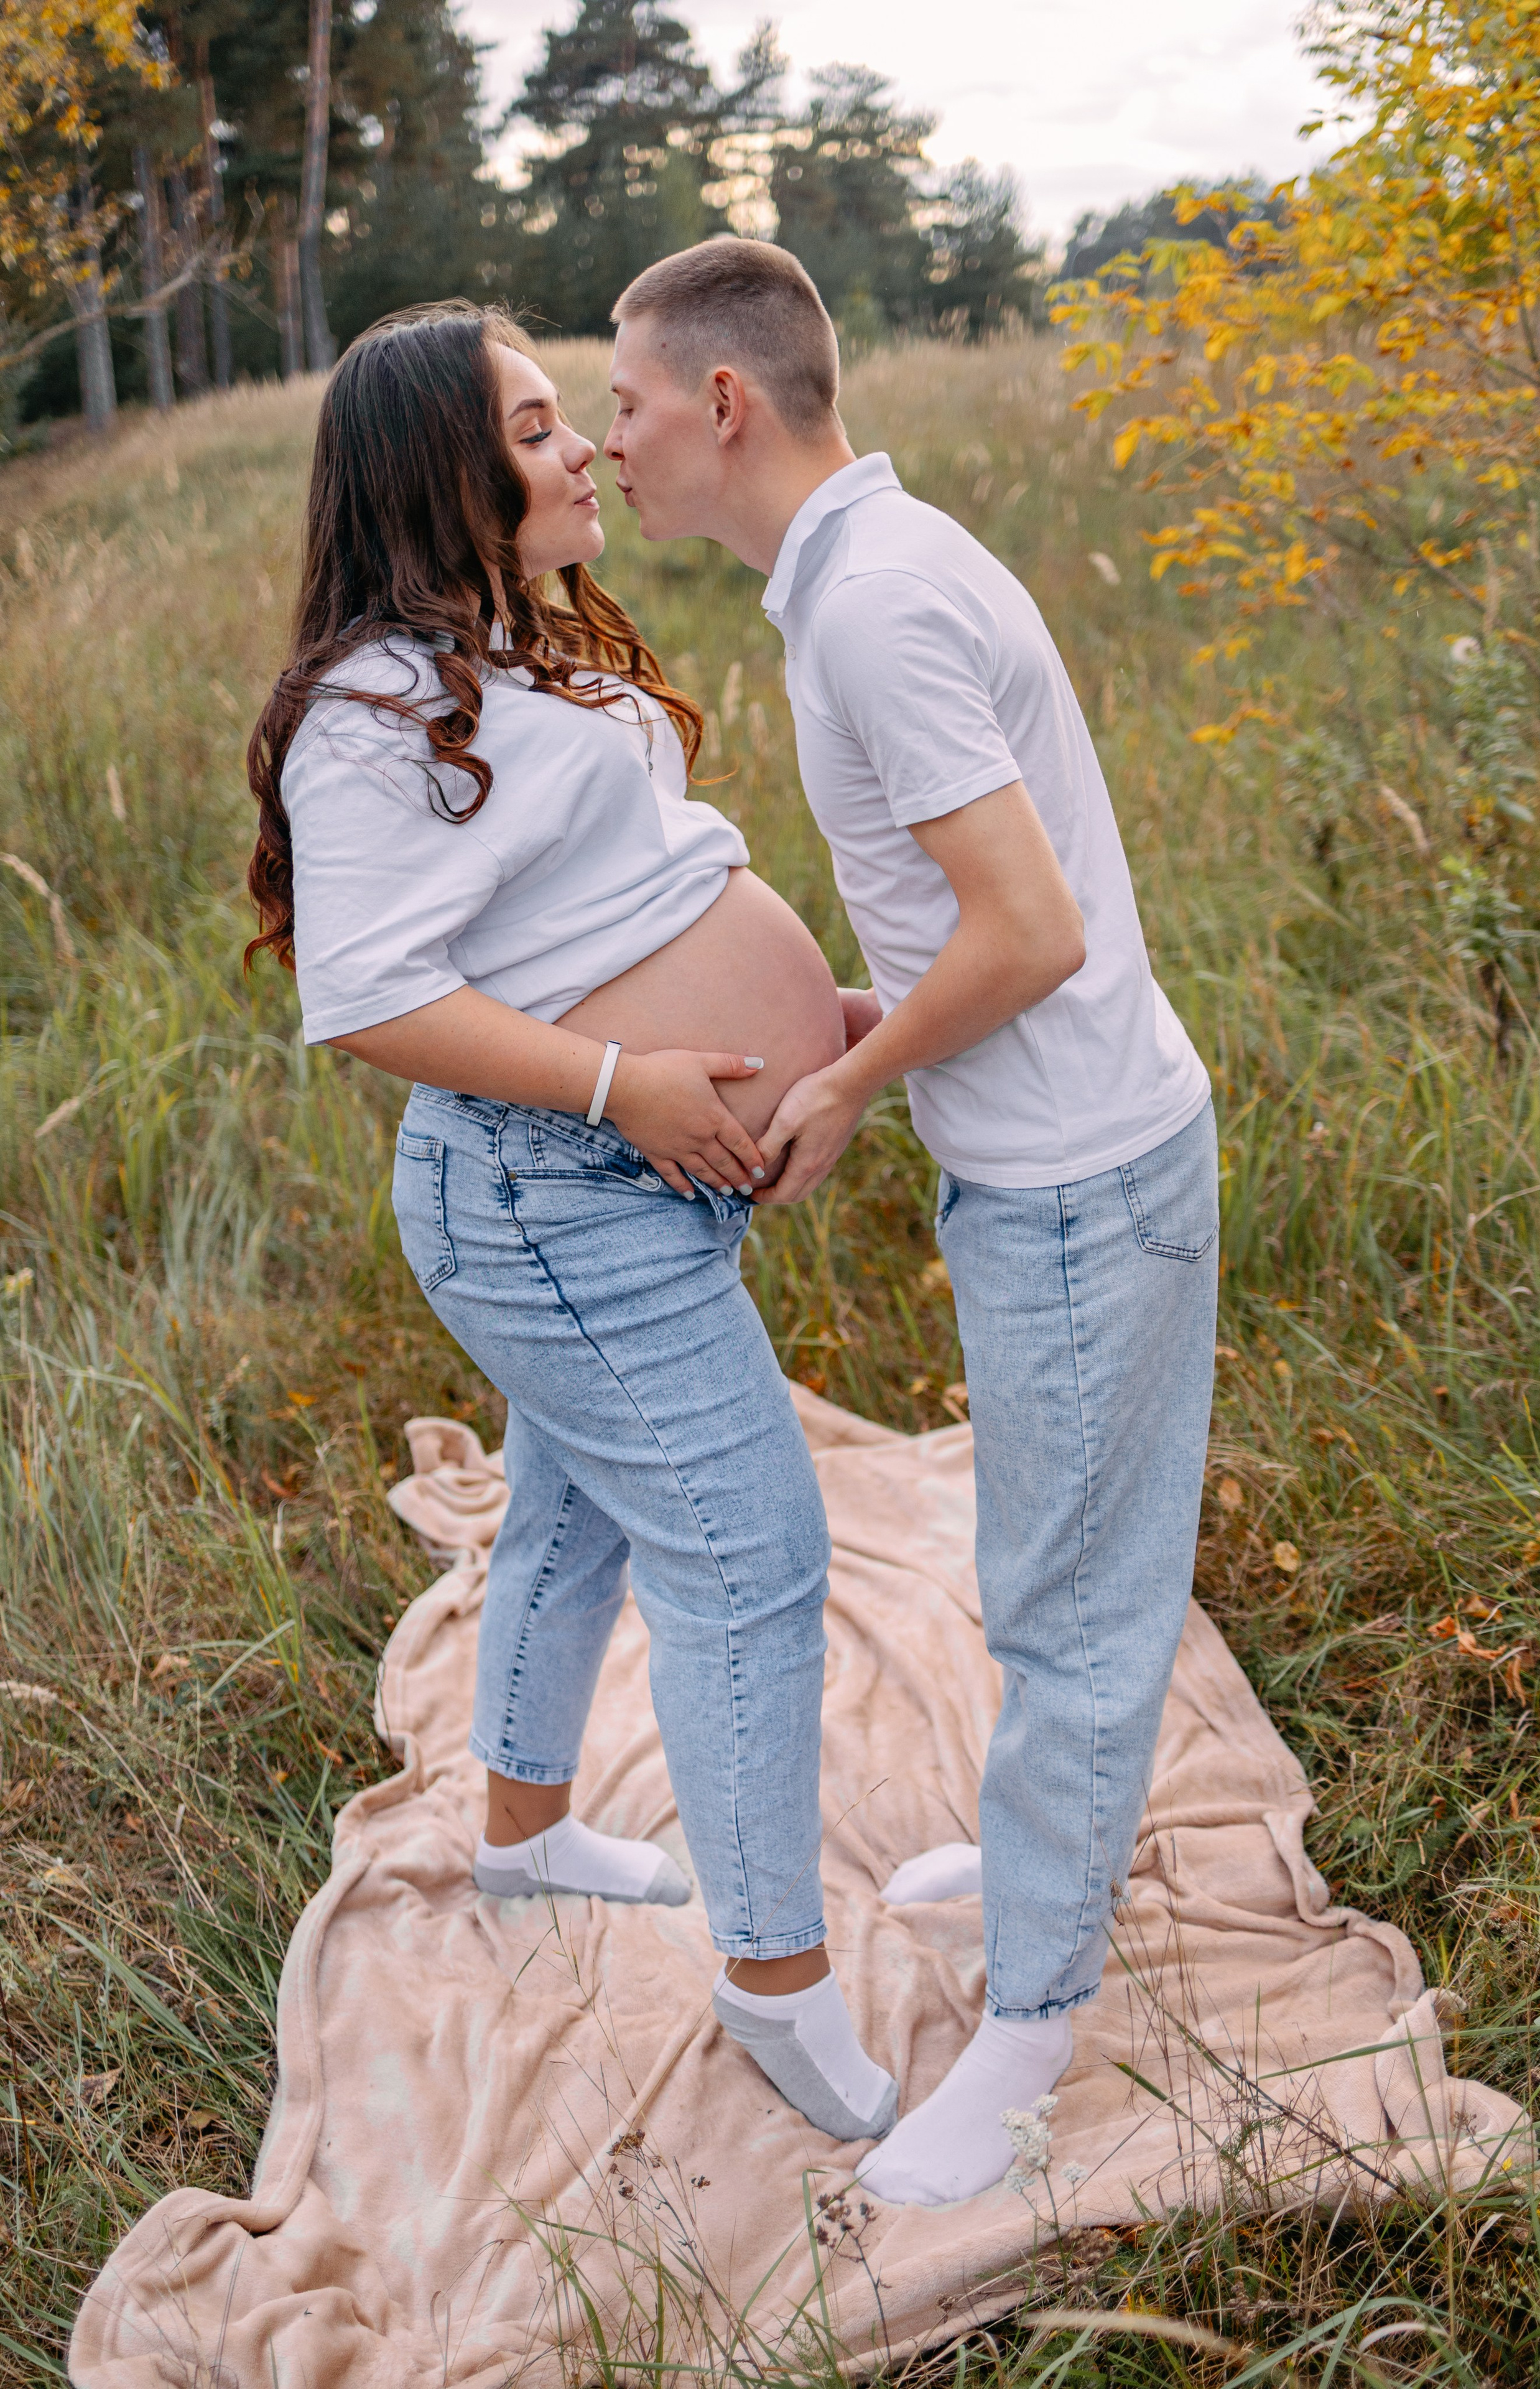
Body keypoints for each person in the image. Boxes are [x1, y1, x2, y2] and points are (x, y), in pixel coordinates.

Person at [243, 299, 898, 2149]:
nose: (588, 450)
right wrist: (635, 1086)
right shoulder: (377, 706)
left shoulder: (515, 647)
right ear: (442, 474)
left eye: (570, 419)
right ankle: (779, 1988)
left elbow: (606, 900)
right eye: (540, 429)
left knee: (570, 1509)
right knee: (753, 1560)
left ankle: (523, 1845)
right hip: (552, 1197)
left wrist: (804, 1029)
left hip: (615, 1186)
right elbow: (365, 999)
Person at [604, 240, 1218, 2207]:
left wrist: (852, 1085)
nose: (605, 444)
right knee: (1060, 1564)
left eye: (621, 403)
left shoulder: (869, 606)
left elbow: (1030, 932)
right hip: (1052, 1146)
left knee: (1073, 1601)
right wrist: (882, 1017)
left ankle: (1034, 2020)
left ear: (723, 405)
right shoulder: (871, 571)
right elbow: (995, 919)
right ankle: (1056, 1859)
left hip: (1076, 1174)